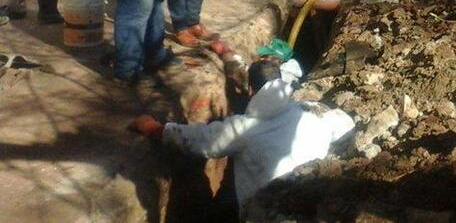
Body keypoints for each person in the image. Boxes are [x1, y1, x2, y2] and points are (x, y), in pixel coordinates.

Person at [132, 47, 354, 217]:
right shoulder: (310, 112)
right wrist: (226, 52)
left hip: (268, 211)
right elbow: (345, 123)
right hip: (314, 202)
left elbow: (202, 140)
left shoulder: (244, 129)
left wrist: (155, 129)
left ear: (249, 89)